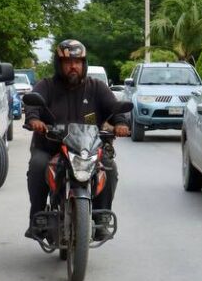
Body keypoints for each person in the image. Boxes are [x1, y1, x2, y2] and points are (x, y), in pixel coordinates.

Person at [25, 39, 130, 241]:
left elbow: (114, 108)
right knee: (38, 165)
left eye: (78, 62)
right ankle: (38, 219)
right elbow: (33, 104)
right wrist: (34, 120)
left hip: (87, 148)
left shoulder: (97, 88)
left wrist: (121, 123)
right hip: (51, 147)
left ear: (84, 64)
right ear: (59, 64)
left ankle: (101, 218)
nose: (73, 66)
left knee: (109, 167)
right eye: (68, 62)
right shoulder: (47, 85)